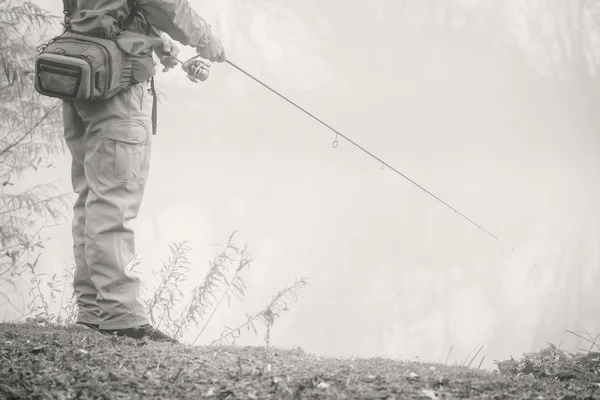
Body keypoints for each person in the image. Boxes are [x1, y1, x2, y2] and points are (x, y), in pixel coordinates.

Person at [61, 0, 226, 343]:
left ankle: (94, 310)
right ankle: (120, 316)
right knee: (114, 200)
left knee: (92, 196)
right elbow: (164, 4)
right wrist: (206, 39)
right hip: (115, 86)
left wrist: (152, 39)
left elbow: (104, 11)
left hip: (80, 70)